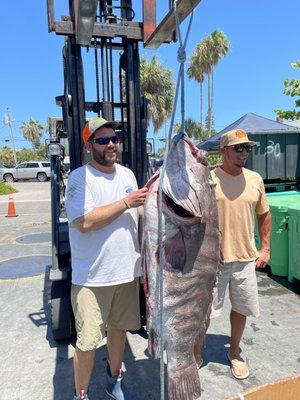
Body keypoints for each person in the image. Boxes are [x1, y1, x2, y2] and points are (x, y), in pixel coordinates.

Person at [65, 117, 148, 400]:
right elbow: (85, 222)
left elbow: (138, 219)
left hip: (126, 273)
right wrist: (127, 202)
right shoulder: (79, 178)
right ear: (89, 146)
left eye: (115, 138)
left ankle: (115, 382)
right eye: (102, 140)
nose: (111, 144)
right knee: (87, 342)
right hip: (92, 278)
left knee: (118, 331)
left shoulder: (128, 175)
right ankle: (81, 394)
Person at [194, 128, 271, 380]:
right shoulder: (208, 179)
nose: (244, 153)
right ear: (224, 151)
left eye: (247, 148)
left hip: (245, 259)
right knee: (204, 312)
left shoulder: (255, 179)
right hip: (211, 260)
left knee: (241, 309)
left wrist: (265, 248)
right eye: (239, 148)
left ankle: (234, 353)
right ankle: (196, 351)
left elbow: (264, 214)